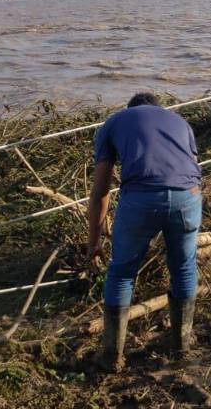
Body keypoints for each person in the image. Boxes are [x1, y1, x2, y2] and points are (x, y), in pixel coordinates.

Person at [86, 92, 202, 372]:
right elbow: (192, 166)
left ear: (132, 109)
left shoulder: (115, 122)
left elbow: (100, 190)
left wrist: (94, 241)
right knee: (184, 267)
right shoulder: (180, 121)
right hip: (188, 196)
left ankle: (112, 356)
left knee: (122, 272)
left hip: (141, 199)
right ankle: (182, 347)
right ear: (157, 108)